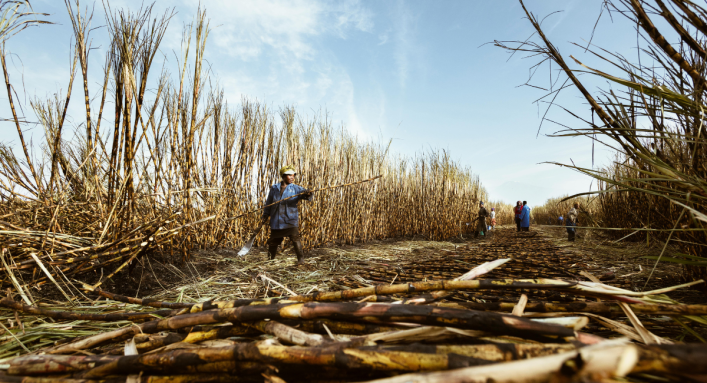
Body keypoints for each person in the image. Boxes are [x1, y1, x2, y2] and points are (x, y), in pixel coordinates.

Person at [262, 165, 314, 264]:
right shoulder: (274, 188)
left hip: (290, 218)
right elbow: (269, 202)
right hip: (276, 220)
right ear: (283, 176)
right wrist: (266, 214)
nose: (292, 177)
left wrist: (308, 194)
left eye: (293, 175)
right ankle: (270, 260)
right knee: (273, 241)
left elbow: (305, 194)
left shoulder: (296, 188)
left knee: (295, 238)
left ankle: (301, 260)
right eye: (289, 175)